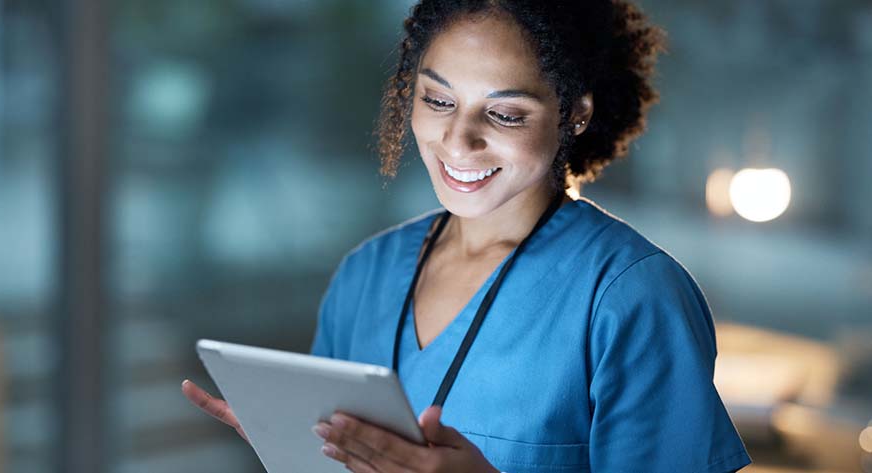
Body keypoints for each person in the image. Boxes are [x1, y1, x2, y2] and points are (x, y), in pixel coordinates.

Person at [182, 1, 753, 471]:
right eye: (438, 100)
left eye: (504, 114)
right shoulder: (366, 273)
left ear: (573, 114)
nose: (458, 141)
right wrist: (296, 452)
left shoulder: (633, 297)